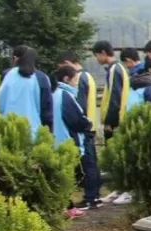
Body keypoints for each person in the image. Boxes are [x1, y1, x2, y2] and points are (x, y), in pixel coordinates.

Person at [53, 64, 102, 213]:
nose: (76, 83)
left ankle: (64, 206)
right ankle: (70, 206)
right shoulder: (65, 95)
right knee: (72, 174)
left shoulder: (53, 93)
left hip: (55, 140)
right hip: (67, 140)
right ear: (66, 79)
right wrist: (88, 124)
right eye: (75, 80)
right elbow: (76, 120)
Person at [0, 47, 54, 137]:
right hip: (32, 132)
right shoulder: (42, 78)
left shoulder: (7, 74)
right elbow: (46, 112)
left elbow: (0, 100)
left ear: (16, 58)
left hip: (7, 129)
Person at [94, 41, 130, 140]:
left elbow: (114, 97)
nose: (96, 59)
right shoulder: (119, 68)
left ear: (103, 53)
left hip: (115, 123)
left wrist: (109, 122)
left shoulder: (114, 69)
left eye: (96, 55)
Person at [56, 51, 98, 129]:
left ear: (67, 63)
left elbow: (79, 105)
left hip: (85, 127)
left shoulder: (78, 77)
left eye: (61, 67)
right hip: (91, 124)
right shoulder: (87, 75)